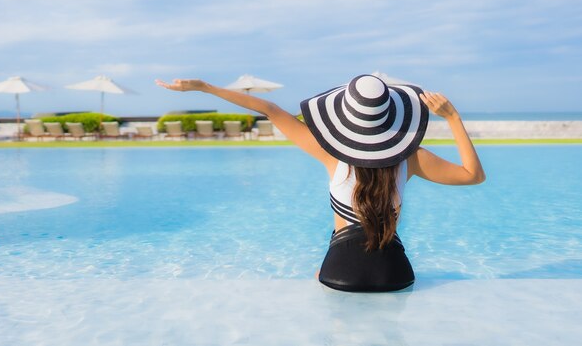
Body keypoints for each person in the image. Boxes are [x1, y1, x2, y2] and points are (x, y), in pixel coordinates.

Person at [155, 74, 485, 292]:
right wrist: (453, 117)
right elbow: (473, 175)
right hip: (394, 274)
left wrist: (205, 88)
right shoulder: (411, 158)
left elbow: (269, 108)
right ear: (390, 118)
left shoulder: (329, 154)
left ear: (346, 117)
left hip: (340, 271)